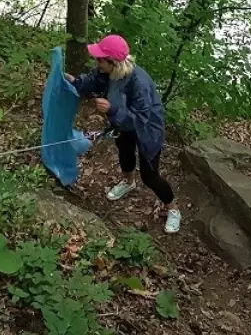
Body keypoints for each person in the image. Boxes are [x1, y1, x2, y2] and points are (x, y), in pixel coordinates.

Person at [67, 34, 181, 234]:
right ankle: (128, 182)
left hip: (147, 130)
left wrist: (112, 110)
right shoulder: (106, 72)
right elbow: (92, 80)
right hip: (123, 125)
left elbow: (142, 118)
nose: (97, 62)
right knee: (125, 154)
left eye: (100, 59)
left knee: (150, 176)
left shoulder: (139, 83)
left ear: (112, 62)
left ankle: (173, 209)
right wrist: (76, 82)